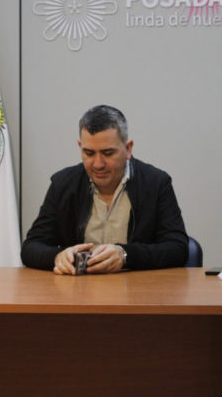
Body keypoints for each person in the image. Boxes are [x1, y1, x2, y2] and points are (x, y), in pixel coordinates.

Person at [21, 105, 188, 274]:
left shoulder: (156, 183)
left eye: (108, 153)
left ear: (128, 148)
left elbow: (178, 248)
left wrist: (125, 255)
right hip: (77, 292)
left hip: (137, 292)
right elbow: (30, 248)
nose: (98, 164)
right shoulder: (63, 184)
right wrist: (57, 257)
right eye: (89, 153)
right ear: (80, 146)